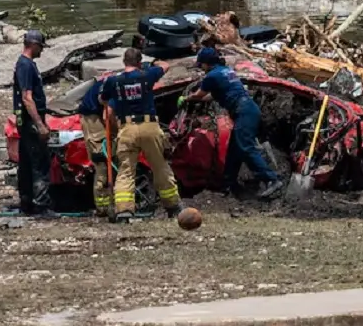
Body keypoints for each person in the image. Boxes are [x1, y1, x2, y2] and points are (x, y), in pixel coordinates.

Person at [189, 47, 282, 199]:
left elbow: (199, 95)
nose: (201, 68)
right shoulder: (226, 71)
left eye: (202, 65)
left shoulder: (211, 76)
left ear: (206, 63)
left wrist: (187, 99)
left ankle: (272, 179)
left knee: (245, 147)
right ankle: (227, 184)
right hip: (249, 109)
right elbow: (212, 96)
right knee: (234, 150)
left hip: (243, 111)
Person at [102, 48, 182, 218]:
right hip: (149, 126)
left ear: (124, 62)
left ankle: (124, 210)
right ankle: (173, 206)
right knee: (160, 166)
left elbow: (103, 100)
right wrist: (152, 62)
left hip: (127, 128)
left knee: (126, 170)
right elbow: (165, 65)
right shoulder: (147, 75)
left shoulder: (113, 81)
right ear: (139, 62)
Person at [14, 30, 53, 215]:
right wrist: (40, 124)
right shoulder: (26, 66)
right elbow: (27, 98)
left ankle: (27, 202)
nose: (42, 51)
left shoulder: (26, 65)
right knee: (40, 163)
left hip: (27, 121)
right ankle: (41, 205)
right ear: (33, 45)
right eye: (41, 47)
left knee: (27, 163)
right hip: (30, 121)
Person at [77, 75, 115, 217]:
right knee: (102, 162)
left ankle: (108, 204)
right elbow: (107, 112)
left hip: (96, 115)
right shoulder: (116, 85)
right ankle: (103, 208)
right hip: (92, 118)